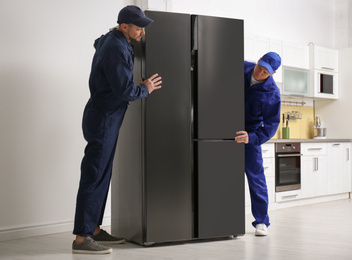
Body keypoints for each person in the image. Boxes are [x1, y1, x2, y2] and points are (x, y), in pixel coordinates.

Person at [72, 5, 162, 254]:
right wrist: (146, 88)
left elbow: (96, 41)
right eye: (138, 28)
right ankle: (82, 238)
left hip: (105, 116)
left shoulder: (110, 40)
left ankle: (95, 229)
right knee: (94, 175)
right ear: (124, 26)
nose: (142, 32)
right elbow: (125, 90)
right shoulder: (116, 47)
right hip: (104, 118)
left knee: (102, 175)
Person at [235, 52, 281, 236]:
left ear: (272, 74)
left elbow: (270, 126)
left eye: (265, 72)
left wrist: (252, 137)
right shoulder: (242, 66)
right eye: (259, 67)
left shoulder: (272, 94)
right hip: (223, 125)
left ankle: (262, 222)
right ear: (258, 60)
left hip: (249, 134)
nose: (259, 73)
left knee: (256, 178)